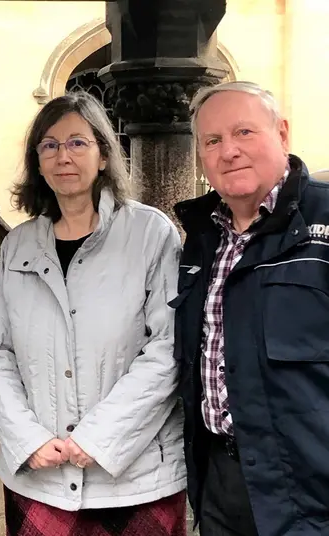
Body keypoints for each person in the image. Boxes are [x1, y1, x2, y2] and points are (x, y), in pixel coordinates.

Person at [0, 91, 186, 536]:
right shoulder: (18, 245)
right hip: (42, 477)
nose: (62, 156)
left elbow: (168, 348)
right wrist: (29, 441)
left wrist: (98, 439)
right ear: (37, 160)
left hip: (137, 477)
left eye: (77, 142)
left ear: (105, 155)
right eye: (49, 145)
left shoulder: (149, 233)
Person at [172, 80, 329, 536]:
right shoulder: (202, 239)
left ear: (282, 133)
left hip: (311, 492)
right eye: (213, 141)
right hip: (222, 483)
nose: (229, 151)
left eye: (244, 133)